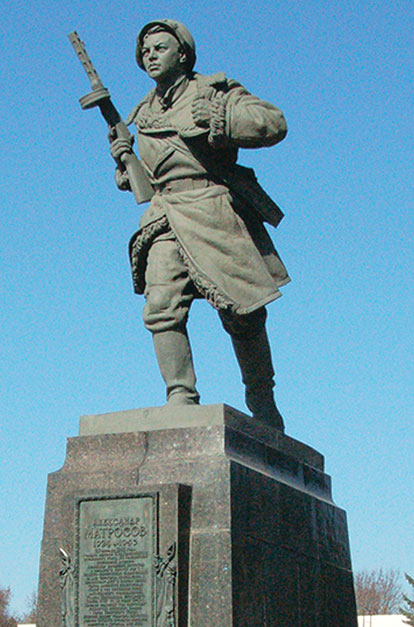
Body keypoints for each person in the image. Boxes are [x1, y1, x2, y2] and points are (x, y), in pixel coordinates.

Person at [109, 19, 289, 430]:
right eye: (145, 51)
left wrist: (222, 116)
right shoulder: (142, 112)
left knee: (244, 317)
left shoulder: (212, 90)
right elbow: (148, 178)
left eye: (159, 48)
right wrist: (125, 162)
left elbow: (273, 122)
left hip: (213, 209)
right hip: (165, 213)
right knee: (160, 304)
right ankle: (180, 393)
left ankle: (261, 396)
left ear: (183, 54)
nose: (150, 55)